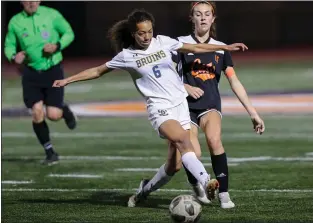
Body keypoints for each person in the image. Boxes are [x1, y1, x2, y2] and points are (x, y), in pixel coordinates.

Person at [52, 9, 248, 207]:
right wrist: (68, 79)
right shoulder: (127, 56)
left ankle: (144, 190)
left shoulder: (163, 41)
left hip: (180, 104)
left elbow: (195, 48)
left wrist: (226, 47)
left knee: (174, 165)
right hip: (160, 109)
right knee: (184, 140)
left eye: (149, 31)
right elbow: (97, 70)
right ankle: (206, 181)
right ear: (133, 34)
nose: (146, 36)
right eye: (141, 33)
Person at [171, 1, 265, 209]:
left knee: (214, 140)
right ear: (191, 18)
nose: (203, 17)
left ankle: (224, 194)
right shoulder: (180, 44)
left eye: (207, 14)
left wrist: (253, 113)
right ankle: (196, 183)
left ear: (213, 18)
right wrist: (185, 86)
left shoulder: (221, 49)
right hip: (184, 106)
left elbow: (234, 81)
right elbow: (166, 75)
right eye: (198, 14)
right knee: (193, 152)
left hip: (210, 104)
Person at [4, 1, 77, 165]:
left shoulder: (51, 14)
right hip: (30, 73)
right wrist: (13, 56)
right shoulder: (15, 21)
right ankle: (50, 152)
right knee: (37, 112)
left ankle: (63, 110)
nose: (31, 2)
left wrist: (58, 45)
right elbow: (9, 45)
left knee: (53, 115)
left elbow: (69, 33)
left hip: (53, 70)